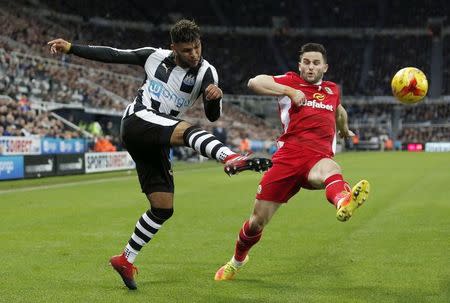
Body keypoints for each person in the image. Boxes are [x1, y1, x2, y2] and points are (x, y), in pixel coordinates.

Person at [48, 19, 271, 290]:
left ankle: (125, 259)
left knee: (163, 207)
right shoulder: (153, 56)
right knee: (188, 130)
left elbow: (213, 116)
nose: (194, 54)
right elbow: (113, 54)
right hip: (137, 120)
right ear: (173, 47)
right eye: (187, 50)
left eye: (197, 47)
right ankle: (230, 157)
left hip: (158, 136)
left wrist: (214, 98)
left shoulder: (207, 72)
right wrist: (71, 48)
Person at [214, 43, 370, 281]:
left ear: (325, 67)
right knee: (257, 222)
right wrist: (288, 92)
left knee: (331, 170)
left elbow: (339, 111)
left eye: (316, 63)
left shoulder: (331, 89)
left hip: (317, 158)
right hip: (287, 159)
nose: (310, 67)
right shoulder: (289, 81)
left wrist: (345, 129)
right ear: (299, 65)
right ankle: (237, 261)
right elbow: (254, 82)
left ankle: (343, 201)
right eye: (306, 62)